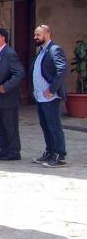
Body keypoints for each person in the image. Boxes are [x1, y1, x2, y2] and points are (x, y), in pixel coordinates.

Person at [32, 25, 69, 167]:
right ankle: (50, 152)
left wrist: (52, 89)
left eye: (38, 35)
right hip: (40, 96)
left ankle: (59, 155)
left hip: (50, 96)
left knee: (53, 126)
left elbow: (62, 70)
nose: (35, 37)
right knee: (45, 125)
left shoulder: (55, 49)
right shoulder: (41, 51)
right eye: (35, 34)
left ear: (47, 34)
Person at [0, 28, 25, 161]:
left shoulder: (9, 53)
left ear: (3, 38)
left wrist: (6, 86)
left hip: (7, 97)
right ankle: (4, 149)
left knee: (10, 125)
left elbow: (19, 73)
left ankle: (14, 151)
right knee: (1, 125)